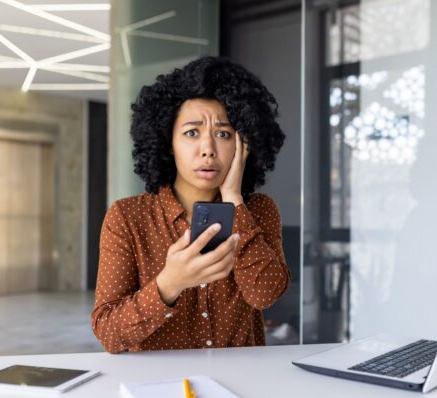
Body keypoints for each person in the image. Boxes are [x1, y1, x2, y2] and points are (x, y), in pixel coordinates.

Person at [91, 56, 291, 353]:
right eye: (191, 133)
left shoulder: (259, 210)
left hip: (242, 385)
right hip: (158, 387)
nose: (208, 149)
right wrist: (169, 284)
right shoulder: (128, 217)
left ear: (242, 145)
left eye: (223, 134)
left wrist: (234, 199)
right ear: (168, 142)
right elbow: (108, 332)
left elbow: (265, 294)